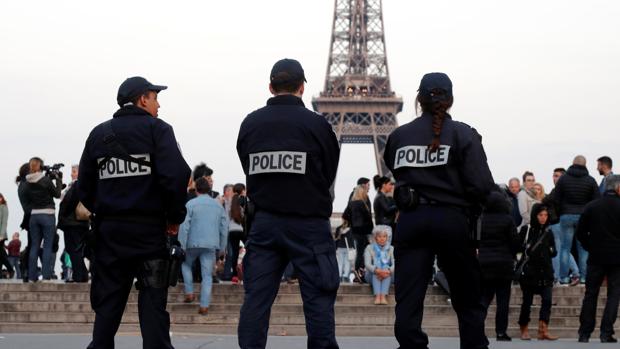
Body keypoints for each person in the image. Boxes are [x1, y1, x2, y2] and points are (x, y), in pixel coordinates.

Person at [383, 72, 495, 349]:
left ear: (418, 99)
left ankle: (412, 345)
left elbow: (395, 170)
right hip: (452, 220)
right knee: (467, 296)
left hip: (412, 220)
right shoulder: (463, 135)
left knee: (408, 298)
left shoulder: (399, 136)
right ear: (450, 99)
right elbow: (482, 185)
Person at [77, 76, 191, 349]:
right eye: (155, 98)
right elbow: (175, 175)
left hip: (110, 234)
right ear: (142, 99)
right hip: (149, 232)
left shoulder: (98, 134)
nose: (158, 105)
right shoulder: (158, 130)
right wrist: (174, 217)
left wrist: (106, 210)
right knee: (153, 303)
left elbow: (84, 185)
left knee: (107, 305)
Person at [236, 58, 340, 349]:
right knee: (318, 299)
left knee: (256, 300)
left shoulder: (250, 124)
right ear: (302, 87)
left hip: (264, 223)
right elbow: (328, 172)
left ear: (270, 87)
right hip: (308, 222)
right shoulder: (318, 125)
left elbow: (248, 164)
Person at [576, 175, 620, 343]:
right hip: (617, 258)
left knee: (591, 293)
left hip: (595, 256)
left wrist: (590, 246)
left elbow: (580, 233)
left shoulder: (592, 206)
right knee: (614, 294)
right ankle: (606, 332)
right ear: (618, 188)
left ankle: (584, 332)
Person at [179, 177, 228, 315]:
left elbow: (184, 226)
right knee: (207, 275)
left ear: (196, 190)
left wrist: (181, 244)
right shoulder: (218, 206)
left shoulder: (191, 204)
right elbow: (224, 228)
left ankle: (189, 292)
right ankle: (204, 305)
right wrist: (222, 248)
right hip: (211, 244)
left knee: (185, 265)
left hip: (192, 243)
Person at [478, 191, 520, 342]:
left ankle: (477, 329)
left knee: (484, 299)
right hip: (504, 265)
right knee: (503, 301)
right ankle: (501, 332)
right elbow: (515, 243)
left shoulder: (482, 219)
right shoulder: (508, 219)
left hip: (484, 264)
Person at [555, 155, 600, 284]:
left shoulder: (563, 179)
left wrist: (560, 212)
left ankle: (563, 277)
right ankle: (584, 277)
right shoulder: (590, 180)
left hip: (566, 215)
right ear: (585, 165)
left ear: (572, 163)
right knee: (583, 248)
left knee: (565, 248)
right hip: (583, 217)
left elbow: (556, 199)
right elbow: (596, 200)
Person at [517, 204, 558, 341]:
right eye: (540, 215)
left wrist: (550, 250)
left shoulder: (548, 232)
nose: (543, 218)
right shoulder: (526, 230)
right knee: (527, 302)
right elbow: (517, 248)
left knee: (547, 300)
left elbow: (554, 252)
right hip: (529, 272)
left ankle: (543, 329)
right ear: (535, 215)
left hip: (545, 272)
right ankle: (524, 328)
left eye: (545, 215)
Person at [25, 157, 63, 282]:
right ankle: (46, 276)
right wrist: (58, 179)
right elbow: (57, 194)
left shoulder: (27, 181)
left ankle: (32, 277)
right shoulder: (46, 180)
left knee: (34, 246)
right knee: (47, 246)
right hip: (47, 214)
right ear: (41, 166)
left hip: (34, 216)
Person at [545, 167, 580, 285]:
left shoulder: (559, 191)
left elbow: (548, 200)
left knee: (559, 250)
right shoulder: (564, 191)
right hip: (560, 222)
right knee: (563, 250)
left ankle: (560, 276)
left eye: (557, 176)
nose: (554, 178)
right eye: (554, 175)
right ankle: (573, 273)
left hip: (557, 222)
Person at [57, 165, 89, 282]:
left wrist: (63, 217)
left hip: (72, 223)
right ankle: (83, 275)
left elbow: (68, 202)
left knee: (73, 249)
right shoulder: (86, 185)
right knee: (77, 250)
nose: (72, 174)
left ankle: (78, 276)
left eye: (74, 172)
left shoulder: (76, 185)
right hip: (82, 222)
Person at [364, 225, 395, 305]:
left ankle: (383, 296)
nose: (382, 238)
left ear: (387, 238)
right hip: (371, 275)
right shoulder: (369, 247)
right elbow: (367, 264)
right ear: (375, 237)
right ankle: (378, 296)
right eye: (379, 236)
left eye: (384, 236)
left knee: (385, 267)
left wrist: (388, 271)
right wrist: (377, 270)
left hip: (388, 274)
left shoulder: (391, 248)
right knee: (376, 271)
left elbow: (395, 264)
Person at [350, 185, 374, 279]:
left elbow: (347, 216)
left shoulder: (351, 203)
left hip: (355, 231)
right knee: (363, 253)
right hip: (363, 231)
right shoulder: (362, 203)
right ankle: (360, 272)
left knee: (360, 252)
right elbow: (368, 218)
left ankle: (358, 273)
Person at [226, 183, 246, 284]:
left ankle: (234, 276)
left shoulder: (230, 202)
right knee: (250, 249)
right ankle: (246, 271)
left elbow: (226, 217)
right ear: (242, 190)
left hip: (231, 231)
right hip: (241, 230)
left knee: (234, 253)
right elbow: (245, 215)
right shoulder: (243, 200)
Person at [0, 193, 14, 278]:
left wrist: (1, 235)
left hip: (1, 235)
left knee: (1, 254)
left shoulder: (4, 207)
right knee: (0, 254)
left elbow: (4, 222)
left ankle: (10, 269)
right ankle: (10, 269)